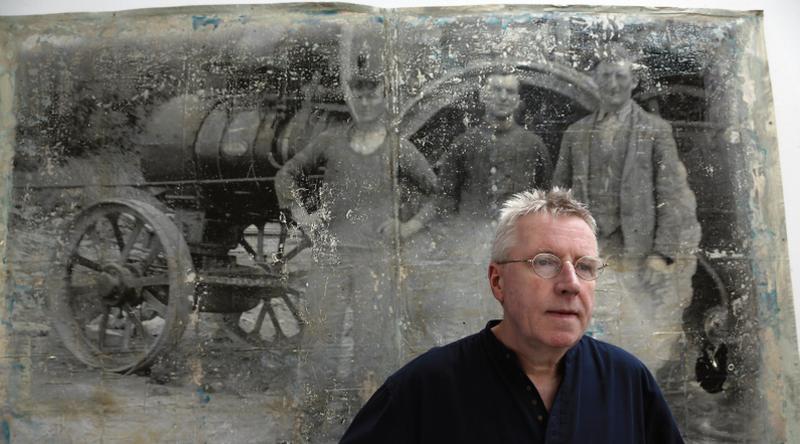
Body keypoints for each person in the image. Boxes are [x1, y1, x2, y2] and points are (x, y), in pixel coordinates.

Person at [341, 189, 684, 443]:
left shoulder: (628, 382)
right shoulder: (424, 389)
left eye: (585, 266)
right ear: (497, 281)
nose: (571, 284)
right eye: (545, 262)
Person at [274, 73, 439, 443]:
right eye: (358, 96)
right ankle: (312, 429)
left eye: (372, 96)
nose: (365, 103)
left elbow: (435, 193)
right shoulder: (330, 140)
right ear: (349, 99)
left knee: (373, 347)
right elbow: (285, 176)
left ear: (384, 98)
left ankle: (366, 428)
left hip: (375, 264)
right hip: (330, 258)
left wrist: (406, 227)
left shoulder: (398, 147)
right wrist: (304, 217)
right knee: (319, 344)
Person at [552, 46, 701, 380]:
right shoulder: (576, 133)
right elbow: (557, 198)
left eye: (621, 76)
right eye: (606, 75)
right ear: (595, 79)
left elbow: (671, 196)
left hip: (637, 251)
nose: (613, 83)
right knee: (585, 332)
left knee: (637, 338)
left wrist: (661, 255)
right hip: (587, 254)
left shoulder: (655, 130)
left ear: (633, 81)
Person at [402, 73, 553, 354]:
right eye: (496, 89)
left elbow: (547, 202)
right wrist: (411, 228)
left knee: (521, 322)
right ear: (483, 96)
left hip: (520, 251)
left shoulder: (533, 146)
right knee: (474, 324)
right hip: (472, 256)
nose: (503, 96)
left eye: (509, 92)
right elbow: (444, 199)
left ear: (518, 100)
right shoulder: (465, 143)